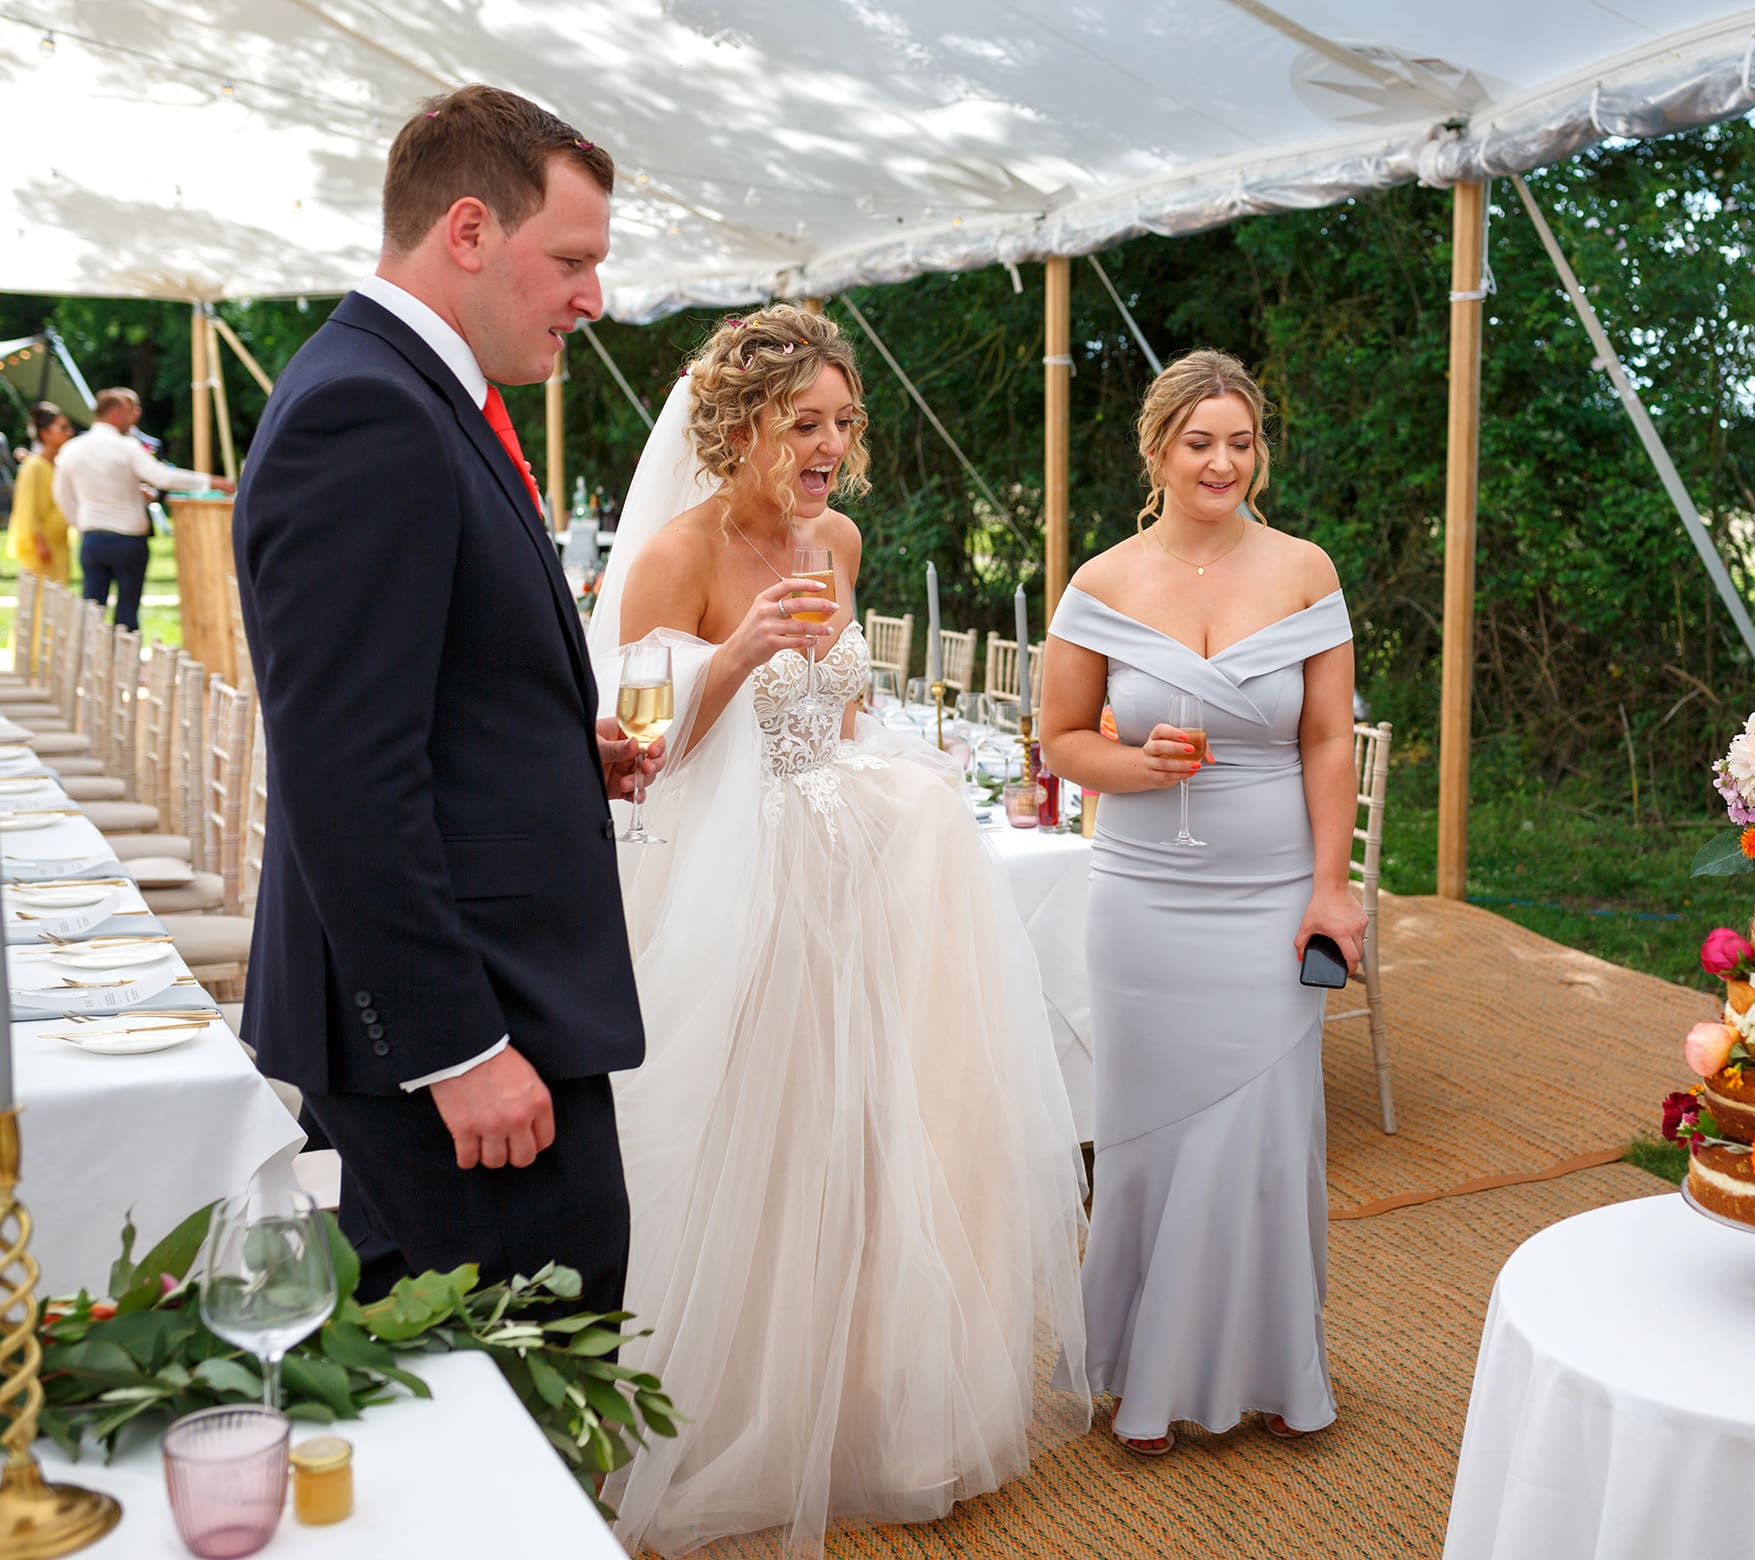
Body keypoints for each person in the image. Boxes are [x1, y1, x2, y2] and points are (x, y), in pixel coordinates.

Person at [589, 305, 1090, 1557]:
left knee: (865, 1142)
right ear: (739, 423)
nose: (828, 446)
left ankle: (859, 1409)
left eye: (843, 423)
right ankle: (725, 1421)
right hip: (730, 897)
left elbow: (842, 724)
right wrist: (736, 654)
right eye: (802, 422)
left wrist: (888, 801)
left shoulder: (841, 542)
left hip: (853, 888)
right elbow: (638, 759)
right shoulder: (672, 559)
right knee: (746, 1147)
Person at [232, 85, 659, 1314]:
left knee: (476, 1375)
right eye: (572, 259)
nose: (593, 297)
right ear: (468, 231)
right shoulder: (370, 413)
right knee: (525, 1380)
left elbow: (421, 698)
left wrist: (557, 748)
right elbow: (347, 773)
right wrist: (457, 1050)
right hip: (463, 1030)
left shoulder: (408, 392)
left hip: (491, 998)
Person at [1039, 349, 1365, 1455]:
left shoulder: (1307, 571)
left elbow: (1327, 740)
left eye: (1240, 441)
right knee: (1145, 1139)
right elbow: (1064, 740)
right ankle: (1139, 1370)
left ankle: (1273, 1364)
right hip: (1144, 907)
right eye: (1200, 442)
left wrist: (1334, 887)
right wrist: (1140, 768)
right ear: (1158, 449)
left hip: (1274, 896)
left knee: (1269, 1135)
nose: (1222, 461)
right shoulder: (1103, 583)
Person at [51, 387, 228, 628]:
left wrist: (81, 521)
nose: (135, 417)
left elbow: (61, 494)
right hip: (129, 539)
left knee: (91, 606)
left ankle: (88, 662)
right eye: (130, 411)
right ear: (115, 414)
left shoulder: (72, 449)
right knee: (127, 608)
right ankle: (125, 661)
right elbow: (161, 477)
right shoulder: (127, 447)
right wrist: (210, 481)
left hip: (93, 537)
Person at [9, 403, 74, 585]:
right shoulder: (34, 466)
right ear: (45, 433)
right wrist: (40, 544)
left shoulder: (59, 464)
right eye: (62, 428)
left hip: (60, 544)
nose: (69, 432)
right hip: (42, 547)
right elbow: (28, 508)